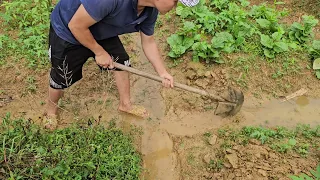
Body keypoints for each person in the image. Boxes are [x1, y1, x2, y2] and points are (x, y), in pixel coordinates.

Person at [44, 0, 199, 130]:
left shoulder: (149, 11)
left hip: (101, 26)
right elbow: (76, 25)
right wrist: (99, 52)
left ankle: (126, 105)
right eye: (176, 1)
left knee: (122, 61)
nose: (175, 7)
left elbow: (149, 41)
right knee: (61, 77)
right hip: (69, 30)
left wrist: (162, 72)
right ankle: (51, 111)